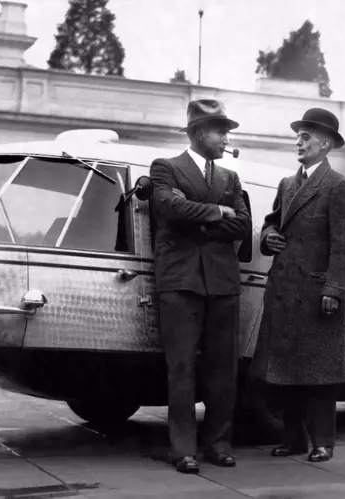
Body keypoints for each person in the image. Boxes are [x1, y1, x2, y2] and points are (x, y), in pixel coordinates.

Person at [249, 107, 345, 463]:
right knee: (285, 374)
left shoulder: (340, 187)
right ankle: (294, 439)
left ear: (325, 144)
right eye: (298, 135)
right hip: (283, 292)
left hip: (317, 296)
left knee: (319, 376)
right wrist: (268, 238)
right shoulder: (287, 184)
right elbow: (271, 223)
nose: (299, 141)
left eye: (307, 136)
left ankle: (322, 442)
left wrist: (334, 290)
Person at [149, 99, 252, 474]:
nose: (227, 137)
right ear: (198, 133)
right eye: (220, 130)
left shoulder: (231, 178)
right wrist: (217, 212)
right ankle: (184, 449)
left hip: (223, 283)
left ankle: (219, 444)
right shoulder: (166, 169)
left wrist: (199, 217)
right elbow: (168, 210)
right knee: (181, 369)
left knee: (223, 369)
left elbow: (242, 226)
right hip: (181, 282)